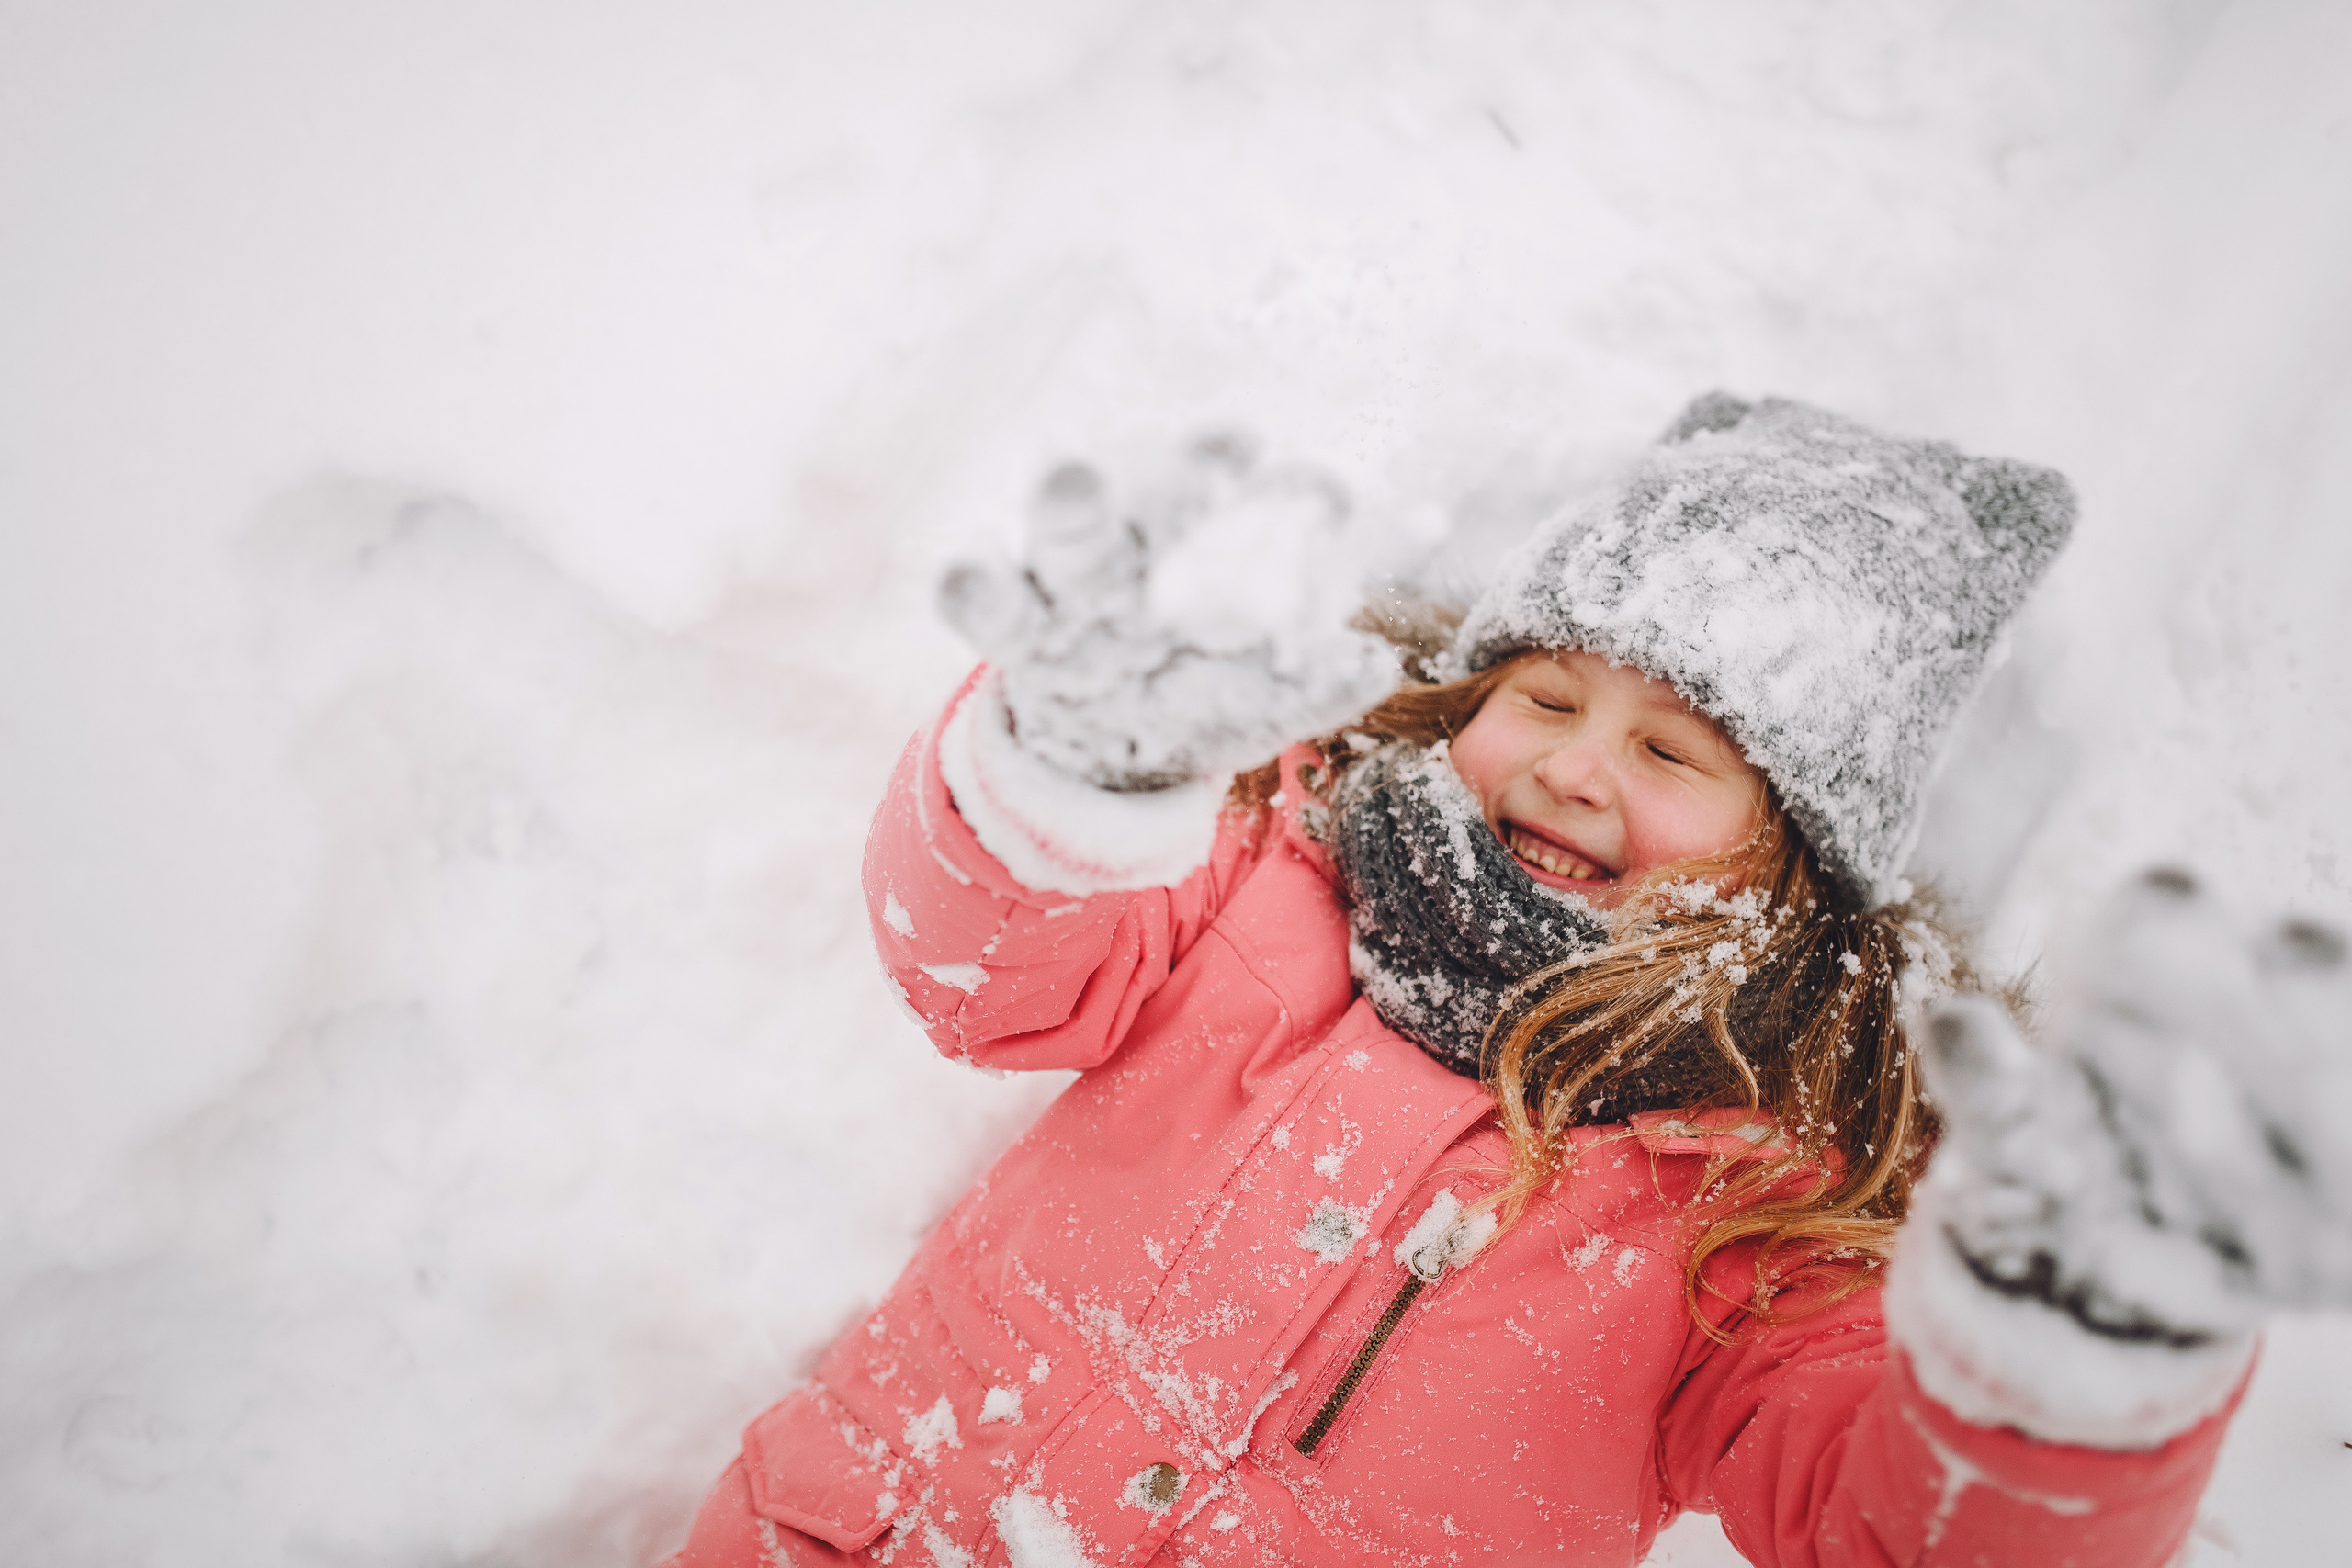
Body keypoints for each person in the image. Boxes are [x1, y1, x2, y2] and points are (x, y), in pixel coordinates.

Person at [662, 395, 2351, 1566]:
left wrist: (2064, 1361)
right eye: (1544, 698)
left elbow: (1892, 1532)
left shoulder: (1760, 1211)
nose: (1573, 766)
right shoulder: (1273, 876)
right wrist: (1074, 778)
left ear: (1802, 861)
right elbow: (993, 979)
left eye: (1676, 748)